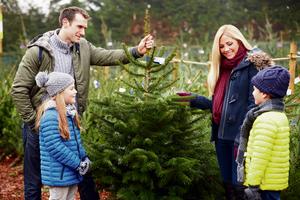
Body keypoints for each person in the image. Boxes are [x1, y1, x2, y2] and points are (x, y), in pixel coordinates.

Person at [11, 6, 154, 200]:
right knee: (33, 180)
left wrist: (136, 51)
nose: (83, 32)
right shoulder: (38, 51)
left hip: (70, 121)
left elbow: (107, 56)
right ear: (65, 23)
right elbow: (18, 89)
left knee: (82, 170)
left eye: (85, 27)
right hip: (41, 123)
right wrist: (33, 121)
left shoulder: (83, 47)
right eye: (79, 26)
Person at [174, 24, 272, 199]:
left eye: (229, 43)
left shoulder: (252, 65)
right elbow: (221, 106)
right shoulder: (224, 68)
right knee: (227, 185)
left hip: (241, 139)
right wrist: (193, 99)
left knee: (240, 186)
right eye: (221, 46)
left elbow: (255, 105)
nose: (226, 49)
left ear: (239, 41)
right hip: (222, 137)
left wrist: (242, 136)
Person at [236, 66, 290, 200]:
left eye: (255, 89)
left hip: (263, 185)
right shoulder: (278, 115)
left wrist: (253, 186)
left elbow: (260, 157)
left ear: (265, 94)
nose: (253, 93)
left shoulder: (266, 120)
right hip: (271, 182)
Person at [35, 71, 90, 200]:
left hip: (71, 170)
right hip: (59, 173)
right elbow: (55, 147)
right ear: (59, 93)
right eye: (71, 88)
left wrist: (84, 158)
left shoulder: (69, 113)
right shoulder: (50, 116)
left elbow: (76, 142)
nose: (75, 91)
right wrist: (78, 164)